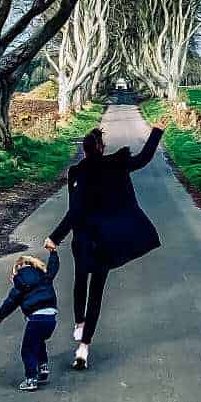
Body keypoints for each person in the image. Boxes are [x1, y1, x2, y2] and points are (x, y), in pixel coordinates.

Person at [44, 121, 165, 370]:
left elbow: (74, 211)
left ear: (85, 150)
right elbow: (143, 158)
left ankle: (79, 323)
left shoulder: (78, 173)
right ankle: (84, 349)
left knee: (80, 280)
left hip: (84, 239)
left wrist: (55, 237)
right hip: (107, 240)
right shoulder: (116, 164)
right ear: (102, 147)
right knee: (96, 293)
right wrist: (156, 131)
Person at [0, 248, 60, 391]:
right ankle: (42, 366)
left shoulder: (20, 283)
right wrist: (53, 253)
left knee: (28, 349)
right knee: (39, 341)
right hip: (51, 318)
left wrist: (1, 315)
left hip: (36, 319)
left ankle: (31, 379)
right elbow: (54, 267)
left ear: (16, 271)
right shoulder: (45, 276)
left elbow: (10, 302)